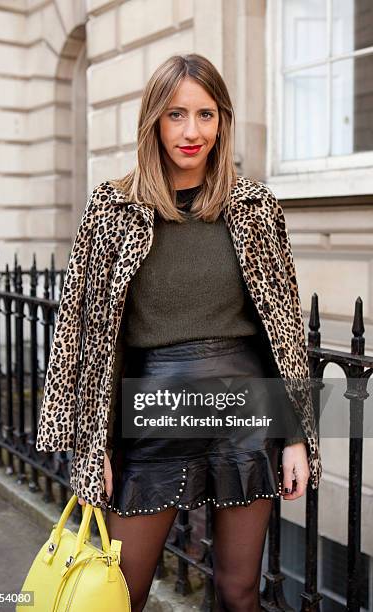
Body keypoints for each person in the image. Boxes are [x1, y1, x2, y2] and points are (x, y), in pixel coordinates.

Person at [37, 53, 322, 612]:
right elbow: (76, 330)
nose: (192, 132)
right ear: (153, 123)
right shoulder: (112, 209)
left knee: (240, 592)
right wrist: (92, 444)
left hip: (245, 414)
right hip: (152, 417)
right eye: (176, 115)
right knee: (120, 591)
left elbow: (283, 330)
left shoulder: (256, 208)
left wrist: (294, 438)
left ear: (222, 121)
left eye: (206, 115)